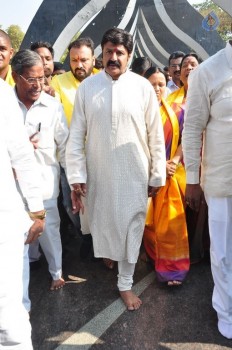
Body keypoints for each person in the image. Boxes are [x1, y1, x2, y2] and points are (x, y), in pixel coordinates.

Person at [66, 27, 166, 310]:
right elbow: (76, 135)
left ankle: (125, 282)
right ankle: (111, 252)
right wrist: (76, 176)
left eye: (119, 53)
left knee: (132, 223)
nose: (113, 57)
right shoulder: (88, 88)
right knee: (104, 219)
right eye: (108, 51)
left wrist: (157, 173)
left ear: (129, 55)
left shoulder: (143, 87)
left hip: (134, 170)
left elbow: (155, 134)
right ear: (101, 53)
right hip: (99, 171)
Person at [182, 41, 232, 339]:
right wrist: (191, 179)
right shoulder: (208, 71)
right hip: (222, 180)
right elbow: (192, 128)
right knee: (224, 251)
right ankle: (226, 312)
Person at [11, 49, 69, 292]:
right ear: (15, 76)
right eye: (31, 79)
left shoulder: (53, 107)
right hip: (12, 187)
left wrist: (74, 181)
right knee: (16, 236)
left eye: (42, 78)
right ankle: (22, 273)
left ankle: (56, 273)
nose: (38, 85)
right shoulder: (6, 105)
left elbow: (65, 145)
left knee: (49, 231)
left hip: (44, 185)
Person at [0, 78, 44, 349]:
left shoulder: (2, 94)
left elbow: (22, 155)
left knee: (7, 319)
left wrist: (36, 211)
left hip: (3, 219)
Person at [51, 37, 99, 259]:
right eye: (74, 60)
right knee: (71, 203)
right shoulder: (58, 84)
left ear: (94, 59)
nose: (79, 65)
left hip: (100, 155)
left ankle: (98, 238)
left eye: (84, 60)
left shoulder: (104, 79)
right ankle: (85, 234)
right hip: (70, 157)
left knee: (99, 199)